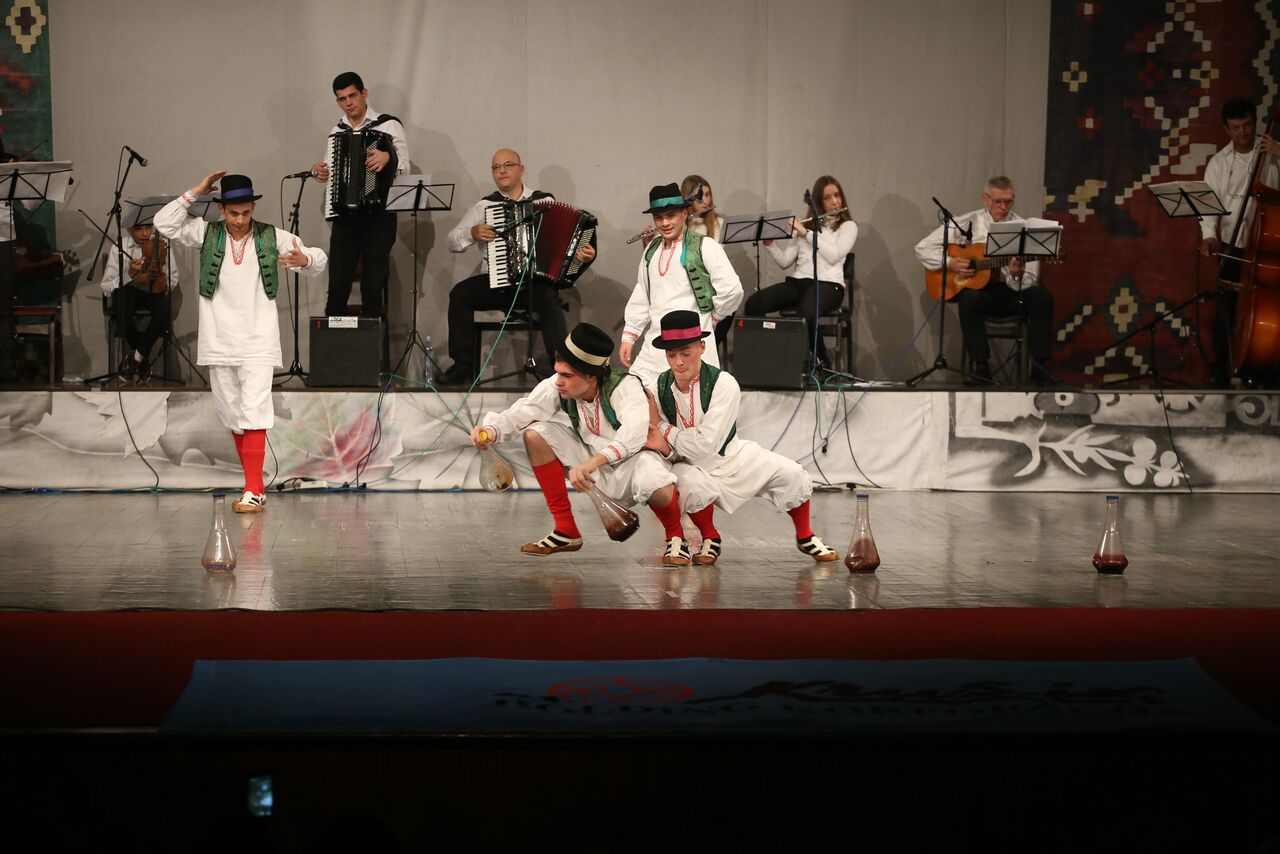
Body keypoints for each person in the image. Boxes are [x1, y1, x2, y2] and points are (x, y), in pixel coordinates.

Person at [155, 172, 327, 512]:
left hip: (258, 340)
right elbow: (164, 223)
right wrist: (196, 191)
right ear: (221, 209)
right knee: (233, 415)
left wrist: (305, 260)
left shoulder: (271, 236)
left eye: (246, 213)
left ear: (252, 209)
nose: (240, 220)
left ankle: (252, 489)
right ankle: (255, 487)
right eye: (234, 213)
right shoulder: (205, 233)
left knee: (254, 412)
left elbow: (317, 258)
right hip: (218, 340)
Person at [470, 322, 695, 566]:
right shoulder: (558, 386)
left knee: (656, 479)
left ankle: (676, 538)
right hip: (592, 463)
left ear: (591, 376)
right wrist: (490, 431)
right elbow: (524, 411)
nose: (559, 381)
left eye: (567, 375)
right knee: (536, 435)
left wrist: (591, 464)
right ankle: (565, 530)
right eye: (558, 373)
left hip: (632, 465)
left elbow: (633, 435)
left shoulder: (625, 386)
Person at [643, 309, 840, 566]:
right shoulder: (660, 387)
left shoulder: (723, 384)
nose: (678, 361)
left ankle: (805, 535)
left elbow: (706, 444)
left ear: (701, 347)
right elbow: (661, 439)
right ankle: (710, 537)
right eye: (672, 354)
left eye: (685, 352)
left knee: (791, 473)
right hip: (688, 463)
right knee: (690, 485)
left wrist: (661, 425)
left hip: (729, 456)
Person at [437, 148, 597, 386]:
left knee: (549, 298)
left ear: (521, 170)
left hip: (535, 284)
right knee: (460, 294)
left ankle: (561, 367)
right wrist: (472, 232)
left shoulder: (544, 202)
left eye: (508, 165)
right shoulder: (485, 206)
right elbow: (452, 241)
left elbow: (566, 244)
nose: (501, 171)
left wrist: (583, 255)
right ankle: (463, 367)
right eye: (496, 167)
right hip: (497, 283)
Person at [914, 175, 1054, 385]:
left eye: (1009, 202)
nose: (1004, 207)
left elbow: (1027, 281)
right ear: (985, 199)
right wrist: (950, 262)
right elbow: (922, 248)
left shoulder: (1024, 229)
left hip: (1013, 296)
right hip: (981, 295)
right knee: (969, 299)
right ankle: (981, 368)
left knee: (1042, 298)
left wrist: (1016, 274)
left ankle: (1039, 368)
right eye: (998, 201)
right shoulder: (967, 223)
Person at [621, 182, 742, 388]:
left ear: (684, 213)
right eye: (659, 217)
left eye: (671, 215)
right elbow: (642, 292)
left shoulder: (705, 246)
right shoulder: (652, 249)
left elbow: (732, 290)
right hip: (655, 346)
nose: (665, 222)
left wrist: (712, 318)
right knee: (636, 395)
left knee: (691, 401)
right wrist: (629, 336)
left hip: (690, 346)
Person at [311, 71, 409, 319]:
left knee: (373, 288)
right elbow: (332, 172)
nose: (348, 103)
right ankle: (335, 343)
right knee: (337, 288)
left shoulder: (388, 125)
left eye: (352, 96)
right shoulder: (337, 131)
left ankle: (371, 343)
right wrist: (321, 172)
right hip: (345, 219)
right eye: (342, 99)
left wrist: (388, 157)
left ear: (364, 93)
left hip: (380, 217)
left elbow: (404, 169)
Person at [1198, 98, 1280, 386]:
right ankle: (1222, 374)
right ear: (1226, 128)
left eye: (1246, 125)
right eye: (1235, 128)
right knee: (1226, 310)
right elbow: (1208, 205)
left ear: (1255, 122)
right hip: (1234, 246)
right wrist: (1209, 236)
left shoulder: (1273, 151)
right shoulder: (1219, 163)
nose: (1242, 132)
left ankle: (1269, 373)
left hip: (1271, 247)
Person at [748, 175, 857, 369]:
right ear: (818, 202)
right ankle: (770, 360)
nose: (835, 201)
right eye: (828, 197)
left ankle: (822, 361)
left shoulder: (848, 227)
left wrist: (806, 233)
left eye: (837, 195)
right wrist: (770, 245)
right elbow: (785, 261)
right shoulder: (805, 227)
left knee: (806, 312)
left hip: (830, 286)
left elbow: (834, 256)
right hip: (800, 283)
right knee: (754, 304)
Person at [99, 219, 179, 378]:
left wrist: (161, 281)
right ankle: (142, 357)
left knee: (164, 312)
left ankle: (136, 358)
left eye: (148, 228)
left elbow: (174, 277)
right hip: (129, 291)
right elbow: (106, 287)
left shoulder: (162, 245)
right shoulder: (119, 247)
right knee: (121, 309)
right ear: (129, 230)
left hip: (153, 292)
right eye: (139, 229)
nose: (145, 233)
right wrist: (128, 275)